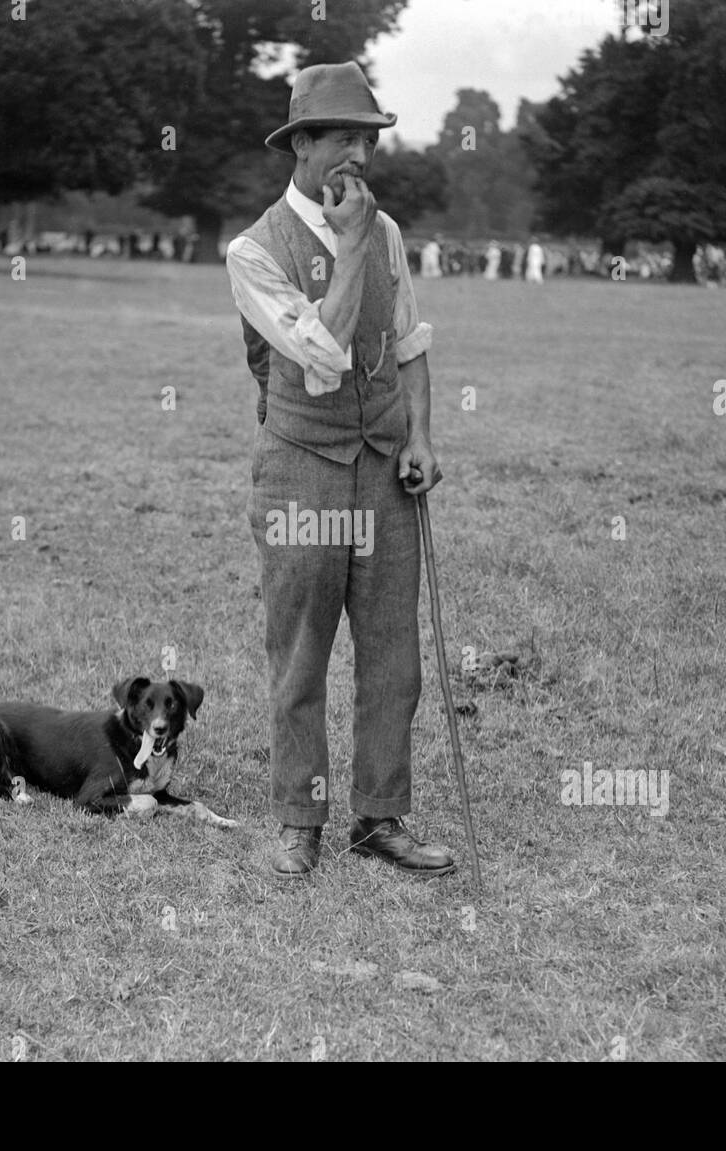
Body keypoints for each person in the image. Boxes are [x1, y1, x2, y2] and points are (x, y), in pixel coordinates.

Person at [226, 61, 456, 880]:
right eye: (343, 139)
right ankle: (300, 820)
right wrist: (351, 242)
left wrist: (421, 436)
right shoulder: (254, 251)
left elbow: (409, 342)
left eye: (368, 138)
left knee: (395, 656)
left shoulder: (386, 232)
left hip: (384, 466)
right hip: (302, 469)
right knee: (302, 652)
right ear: (303, 147)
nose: (358, 155)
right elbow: (319, 357)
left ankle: (381, 818)